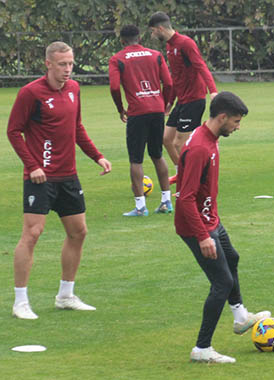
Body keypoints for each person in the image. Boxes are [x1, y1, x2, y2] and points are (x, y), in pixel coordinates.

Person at [7, 41, 112, 320]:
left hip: (68, 176)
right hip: (39, 178)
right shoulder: (31, 93)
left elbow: (77, 127)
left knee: (79, 232)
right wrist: (32, 166)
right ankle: (20, 302)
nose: (68, 69)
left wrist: (97, 156)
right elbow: (13, 131)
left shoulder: (75, 90)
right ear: (48, 64)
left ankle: (65, 295)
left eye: (71, 64)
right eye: (62, 64)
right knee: (32, 234)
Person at [175, 92, 270, 363]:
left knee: (233, 257)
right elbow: (185, 199)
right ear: (222, 117)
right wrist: (203, 236)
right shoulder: (200, 148)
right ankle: (202, 348)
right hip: (197, 226)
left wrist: (178, 177)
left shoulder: (207, 137)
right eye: (236, 122)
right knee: (222, 282)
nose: (238, 127)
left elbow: (189, 178)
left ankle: (241, 317)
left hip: (211, 218)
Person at [108, 24, 174, 216]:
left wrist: (121, 109)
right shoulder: (156, 55)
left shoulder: (117, 59)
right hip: (156, 110)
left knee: (136, 159)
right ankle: (166, 202)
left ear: (122, 41)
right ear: (140, 39)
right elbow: (169, 83)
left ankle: (140, 207)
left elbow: (113, 87)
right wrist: (165, 103)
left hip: (137, 112)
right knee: (157, 154)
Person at [148, 11, 218, 184]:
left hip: (194, 99)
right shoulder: (170, 46)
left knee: (181, 143)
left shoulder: (186, 43)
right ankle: (183, 173)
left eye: (152, 31)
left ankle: (194, 178)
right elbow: (175, 77)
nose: (152, 35)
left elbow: (201, 66)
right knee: (166, 139)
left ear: (160, 28)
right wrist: (170, 101)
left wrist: (213, 91)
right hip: (182, 100)